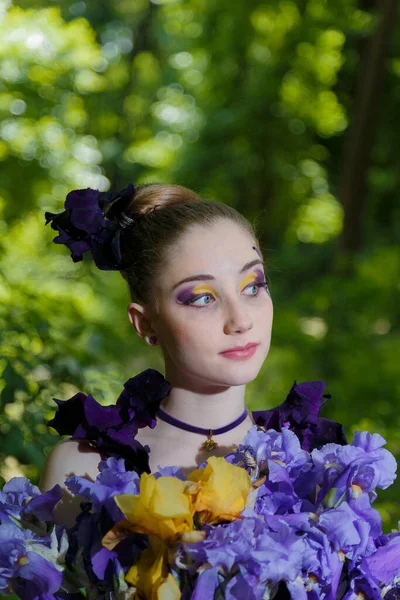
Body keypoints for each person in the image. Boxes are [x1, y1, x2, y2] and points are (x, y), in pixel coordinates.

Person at [39, 182, 343, 527]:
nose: (241, 320)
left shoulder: (317, 466)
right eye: (202, 298)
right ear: (145, 323)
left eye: (253, 286)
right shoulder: (82, 473)